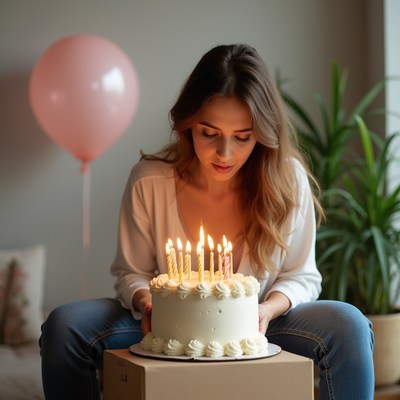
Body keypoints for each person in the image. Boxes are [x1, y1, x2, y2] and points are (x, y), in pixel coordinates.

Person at [40, 44, 374, 400]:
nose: (225, 153)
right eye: (209, 133)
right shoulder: (150, 182)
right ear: (187, 126)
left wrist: (265, 310)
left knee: (349, 325)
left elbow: (302, 275)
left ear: (262, 133)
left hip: (260, 326)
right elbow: (130, 272)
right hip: (169, 325)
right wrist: (149, 303)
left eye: (243, 137)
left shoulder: (287, 180)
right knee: (65, 325)